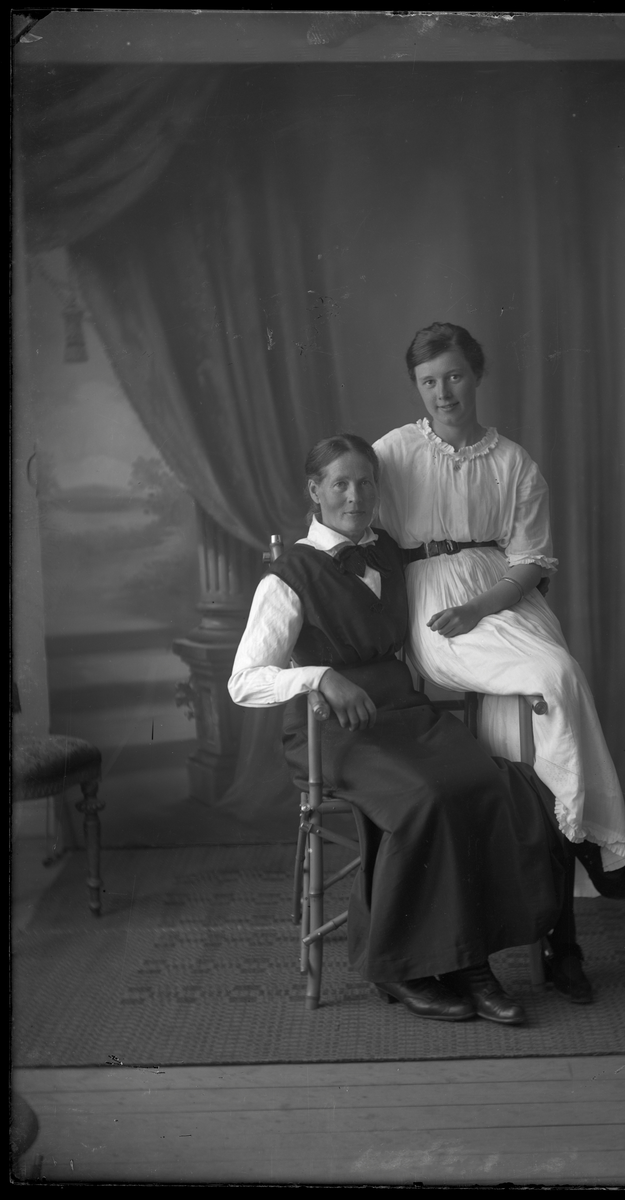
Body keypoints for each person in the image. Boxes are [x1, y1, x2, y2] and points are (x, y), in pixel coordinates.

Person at [228, 433, 566, 1026]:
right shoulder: (288, 576)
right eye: (340, 483)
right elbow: (244, 681)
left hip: (405, 713)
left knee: (488, 782)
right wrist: (321, 677)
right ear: (315, 491)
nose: (355, 496)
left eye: (366, 482)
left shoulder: (388, 551)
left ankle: (469, 962)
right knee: (427, 798)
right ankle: (404, 967)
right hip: (331, 730)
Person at [373, 323, 625, 1006]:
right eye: (429, 381)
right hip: (434, 608)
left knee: (553, 688)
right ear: (416, 387)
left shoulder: (513, 462)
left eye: (454, 376)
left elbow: (529, 564)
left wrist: (481, 607)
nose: (443, 392)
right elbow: (351, 527)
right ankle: (592, 841)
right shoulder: (394, 453)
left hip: (503, 601)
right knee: (556, 678)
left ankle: (565, 915)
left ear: (476, 375)